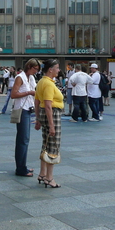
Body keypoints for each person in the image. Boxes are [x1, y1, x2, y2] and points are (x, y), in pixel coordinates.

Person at [34, 59, 64, 188]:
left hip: (44, 114)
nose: (58, 70)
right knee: (53, 146)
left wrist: (38, 119)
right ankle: (49, 178)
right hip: (53, 114)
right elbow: (48, 105)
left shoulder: (41, 81)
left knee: (45, 144)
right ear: (50, 69)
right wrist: (52, 125)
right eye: (57, 68)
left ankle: (42, 173)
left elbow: (36, 102)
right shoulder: (49, 84)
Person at [11, 58, 40, 177]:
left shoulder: (31, 78)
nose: (36, 71)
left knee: (25, 139)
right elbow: (13, 94)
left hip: (28, 108)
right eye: (35, 69)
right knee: (23, 139)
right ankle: (21, 168)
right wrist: (28, 93)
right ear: (29, 67)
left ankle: (23, 165)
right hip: (22, 110)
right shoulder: (20, 77)